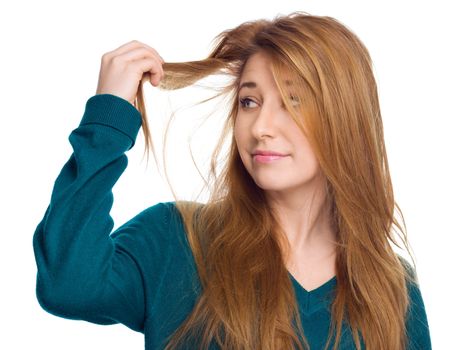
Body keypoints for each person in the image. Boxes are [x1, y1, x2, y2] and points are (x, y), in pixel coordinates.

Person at [32, 11, 432, 350]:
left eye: (294, 101)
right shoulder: (177, 241)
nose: (261, 127)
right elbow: (67, 285)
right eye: (249, 101)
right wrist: (109, 117)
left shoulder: (391, 290)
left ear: (344, 119)